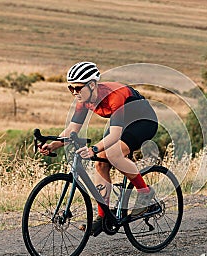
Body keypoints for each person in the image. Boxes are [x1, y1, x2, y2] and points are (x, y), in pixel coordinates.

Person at [39, 61, 158, 236]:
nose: (74, 93)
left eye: (78, 88)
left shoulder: (114, 96)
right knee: (101, 164)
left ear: (92, 84)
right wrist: (54, 144)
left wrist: (93, 149)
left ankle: (145, 193)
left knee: (113, 154)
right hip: (123, 122)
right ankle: (103, 217)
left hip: (144, 122)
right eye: (70, 88)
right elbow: (73, 129)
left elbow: (115, 135)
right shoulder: (84, 99)